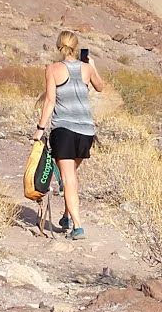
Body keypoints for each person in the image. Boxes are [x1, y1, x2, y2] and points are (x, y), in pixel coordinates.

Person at [33, 30, 108, 239]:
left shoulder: (52, 69)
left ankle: (77, 226)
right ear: (76, 47)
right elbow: (100, 87)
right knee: (72, 176)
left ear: (59, 46)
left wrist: (40, 129)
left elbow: (50, 101)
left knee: (68, 179)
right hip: (86, 132)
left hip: (64, 130)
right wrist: (92, 66)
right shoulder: (86, 68)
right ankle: (66, 216)